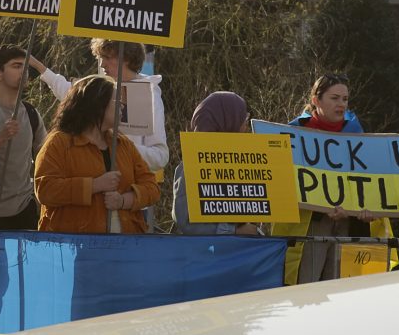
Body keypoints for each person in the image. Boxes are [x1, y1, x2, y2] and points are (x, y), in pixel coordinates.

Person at [34, 74, 159, 235]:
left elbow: (152, 188)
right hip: (77, 247)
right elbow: (45, 190)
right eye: (116, 101)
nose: (122, 105)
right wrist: (94, 185)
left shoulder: (124, 144)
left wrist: (123, 201)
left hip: (127, 246)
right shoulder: (58, 143)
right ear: (96, 104)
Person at [31, 39, 169, 176]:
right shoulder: (101, 89)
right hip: (93, 183)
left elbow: (160, 156)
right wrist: (38, 66)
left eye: (108, 57)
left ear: (126, 58)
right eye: (100, 57)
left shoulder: (150, 96)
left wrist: (119, 148)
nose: (102, 64)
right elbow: (71, 93)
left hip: (129, 188)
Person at [291, 73, 373, 283]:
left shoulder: (357, 134)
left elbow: (368, 181)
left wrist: (364, 208)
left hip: (348, 223)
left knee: (340, 288)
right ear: (316, 100)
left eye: (345, 99)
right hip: (310, 223)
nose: (341, 104)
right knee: (307, 288)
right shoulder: (294, 132)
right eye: (334, 98)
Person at [171, 90, 264, 235]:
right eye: (242, 118)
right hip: (207, 254)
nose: (246, 125)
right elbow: (185, 222)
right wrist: (233, 231)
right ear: (227, 120)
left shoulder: (242, 162)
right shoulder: (191, 166)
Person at [0, 43, 47, 230]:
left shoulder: (32, 114)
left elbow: (45, 159)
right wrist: (0, 138)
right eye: (16, 66)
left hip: (24, 209)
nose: (24, 72)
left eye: (25, 67)